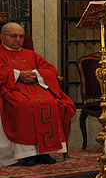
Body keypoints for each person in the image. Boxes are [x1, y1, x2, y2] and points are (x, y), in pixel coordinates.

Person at [0, 22, 76, 167]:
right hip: (12, 90)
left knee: (53, 103)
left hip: (36, 90)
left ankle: (44, 153)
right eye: (13, 36)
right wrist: (18, 75)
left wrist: (36, 74)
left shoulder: (31, 54)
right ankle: (26, 155)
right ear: (2, 37)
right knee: (23, 105)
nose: (18, 39)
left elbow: (50, 70)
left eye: (21, 36)